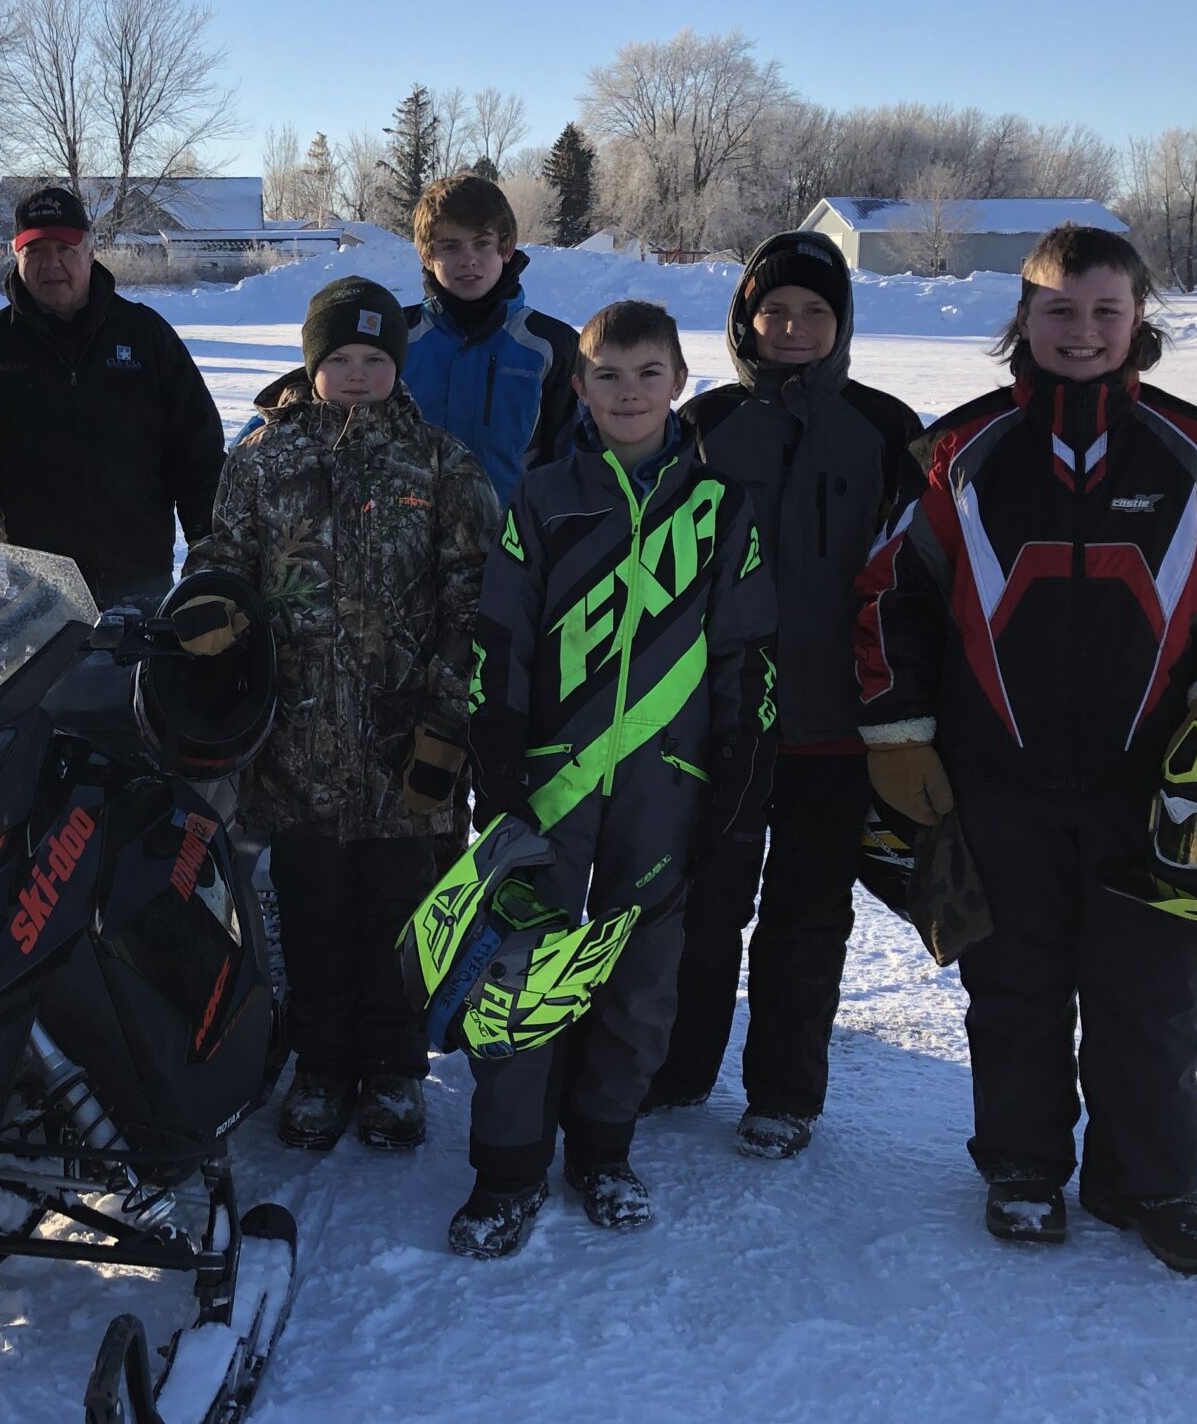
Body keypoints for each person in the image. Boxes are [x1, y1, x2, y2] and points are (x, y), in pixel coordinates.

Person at [854, 222, 1197, 1273]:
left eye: (1106, 310)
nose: (1083, 330)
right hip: (992, 778)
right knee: (1011, 984)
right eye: (1059, 309)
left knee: (1148, 992)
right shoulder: (957, 452)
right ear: (1023, 318)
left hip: (1152, 783)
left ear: (1139, 318)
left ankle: (1153, 1186)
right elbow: (889, 602)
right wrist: (897, 734)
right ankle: (1021, 1170)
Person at [451, 300, 777, 1258]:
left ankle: (603, 1150)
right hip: (552, 783)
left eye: (647, 373)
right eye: (606, 375)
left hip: (665, 785)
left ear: (682, 382)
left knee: (639, 980)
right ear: (579, 387)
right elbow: (500, 640)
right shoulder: (544, 498)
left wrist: (739, 775)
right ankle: (508, 1169)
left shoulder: (721, 510)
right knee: (524, 972)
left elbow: (747, 652)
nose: (627, 393)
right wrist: (498, 761)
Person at [187, 276, 495, 1152]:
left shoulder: (441, 463)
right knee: (312, 913)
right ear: (312, 364)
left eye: (375, 358)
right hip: (295, 748)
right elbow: (221, 558)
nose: (357, 375)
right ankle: (321, 1068)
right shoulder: (262, 460)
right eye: (340, 360)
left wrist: (448, 718)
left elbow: (472, 599)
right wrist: (208, 618)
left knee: (401, 917)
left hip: (409, 752)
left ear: (397, 365)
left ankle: (396, 1074)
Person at [646, 231, 922, 1158]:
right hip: (723, 726)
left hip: (837, 731)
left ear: (840, 324)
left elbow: (921, 578)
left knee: (808, 921)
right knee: (705, 909)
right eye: (775, 311)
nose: (793, 327)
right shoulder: (704, 425)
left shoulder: (889, 430)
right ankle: (677, 1069)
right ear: (745, 322)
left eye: (813, 312)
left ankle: (785, 1095)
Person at [0, 184, 224, 607]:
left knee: (142, 677)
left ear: (90, 251)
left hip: (140, 584)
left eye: (65, 249)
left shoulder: (144, 337)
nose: (52, 264)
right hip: (37, 590)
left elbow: (199, 459)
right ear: (16, 256)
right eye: (36, 251)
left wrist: (210, 559)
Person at [400, 172, 581, 507]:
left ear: (506, 247)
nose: (468, 259)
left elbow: (573, 463)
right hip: (411, 543)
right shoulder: (396, 336)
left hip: (511, 544)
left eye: (482, 243)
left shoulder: (552, 345)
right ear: (427, 255)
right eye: (450, 246)